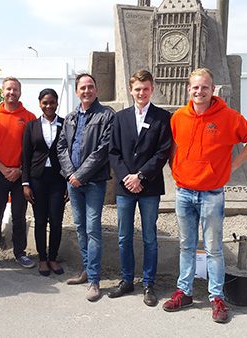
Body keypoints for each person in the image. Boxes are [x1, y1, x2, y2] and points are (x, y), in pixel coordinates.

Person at [163, 68, 247, 323]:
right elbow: (173, 145)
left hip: (211, 194)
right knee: (186, 245)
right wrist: (176, 168)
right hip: (184, 191)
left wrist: (234, 165)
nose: (200, 91)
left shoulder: (228, 117)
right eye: (195, 87)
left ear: (212, 89)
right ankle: (184, 292)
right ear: (189, 89)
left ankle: (216, 297)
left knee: (214, 249)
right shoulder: (178, 117)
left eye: (204, 87)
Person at [107, 69, 172, 306]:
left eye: (146, 89)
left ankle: (148, 283)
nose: (141, 93)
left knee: (149, 238)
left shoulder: (162, 118)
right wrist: (127, 177)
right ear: (131, 90)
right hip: (125, 188)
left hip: (150, 187)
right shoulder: (120, 117)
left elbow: (162, 152)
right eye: (137, 89)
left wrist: (141, 177)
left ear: (151, 89)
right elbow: (113, 152)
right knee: (124, 237)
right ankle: (126, 280)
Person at [56, 73, 114, 302]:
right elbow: (61, 146)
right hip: (73, 183)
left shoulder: (107, 115)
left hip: (94, 182)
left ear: (96, 90)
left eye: (90, 87)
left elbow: (103, 150)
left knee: (92, 229)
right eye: (82, 87)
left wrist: (80, 174)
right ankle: (87, 270)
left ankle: (94, 280)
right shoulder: (70, 117)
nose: (87, 91)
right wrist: (71, 174)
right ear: (77, 91)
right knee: (80, 227)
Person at [0, 77, 36, 270]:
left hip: (21, 175)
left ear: (20, 92)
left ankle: (20, 252)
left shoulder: (29, 117)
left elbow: (34, 150)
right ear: (2, 92)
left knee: (19, 215)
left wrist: (20, 170)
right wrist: (3, 169)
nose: (12, 93)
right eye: (8, 89)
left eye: (15, 89)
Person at [22, 88, 67, 276]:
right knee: (40, 220)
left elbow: (69, 153)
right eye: (45, 102)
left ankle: (53, 258)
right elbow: (25, 156)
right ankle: (42, 259)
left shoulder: (65, 124)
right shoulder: (31, 126)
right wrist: (25, 183)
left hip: (58, 179)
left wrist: (68, 183)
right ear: (40, 103)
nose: (49, 106)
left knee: (56, 220)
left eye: (52, 102)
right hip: (37, 178)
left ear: (57, 103)